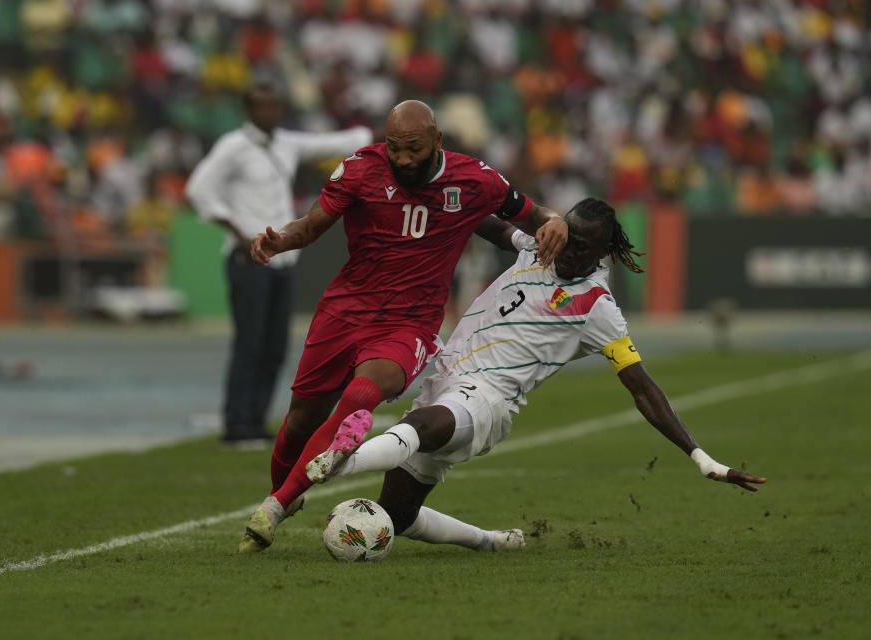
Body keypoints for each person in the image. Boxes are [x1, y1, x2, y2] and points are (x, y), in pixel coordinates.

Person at [305, 197, 767, 553]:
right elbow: (484, 217)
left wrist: (701, 457)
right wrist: (442, 191)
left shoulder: (598, 307)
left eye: (582, 246)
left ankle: (338, 462)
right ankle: (489, 541)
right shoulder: (538, 246)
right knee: (397, 517)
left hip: (488, 401)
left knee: (422, 428)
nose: (566, 250)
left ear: (603, 250)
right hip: (443, 381)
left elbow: (642, 388)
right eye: (566, 236)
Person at [238, 99, 569, 552]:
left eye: (413, 148)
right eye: (395, 148)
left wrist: (556, 222)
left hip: (409, 323)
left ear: (436, 140)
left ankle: (275, 506)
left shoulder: (475, 179)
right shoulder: (360, 169)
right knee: (300, 420)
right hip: (346, 309)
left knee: (360, 395)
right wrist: (279, 241)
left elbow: (532, 214)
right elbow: (313, 225)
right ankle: (285, 494)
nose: (403, 159)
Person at [185, 79, 372, 446]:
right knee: (249, 343)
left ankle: (255, 421)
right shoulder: (233, 147)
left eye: (274, 106)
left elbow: (334, 143)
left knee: (274, 347)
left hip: (282, 261)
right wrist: (237, 231)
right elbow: (198, 189)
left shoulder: (287, 142)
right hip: (248, 258)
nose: (270, 113)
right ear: (249, 111)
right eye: (262, 107)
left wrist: (377, 133)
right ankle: (236, 424)